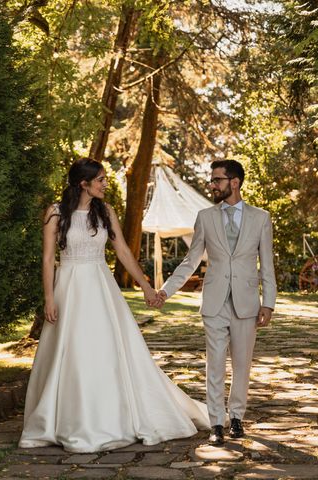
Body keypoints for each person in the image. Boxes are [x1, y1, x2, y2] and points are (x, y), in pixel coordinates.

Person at [19, 158, 209, 453]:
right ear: (83, 183)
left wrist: (147, 287)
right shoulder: (55, 213)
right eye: (101, 180)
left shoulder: (105, 212)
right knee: (70, 351)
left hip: (100, 287)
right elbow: (47, 259)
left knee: (107, 349)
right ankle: (68, 420)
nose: (106, 184)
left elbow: (122, 250)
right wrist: (49, 297)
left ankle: (112, 416)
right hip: (68, 287)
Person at [155, 159, 277, 445]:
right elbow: (191, 261)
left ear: (234, 182)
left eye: (217, 180)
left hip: (247, 303)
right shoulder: (205, 217)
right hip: (214, 302)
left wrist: (268, 303)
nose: (212, 185)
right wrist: (165, 291)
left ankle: (236, 417)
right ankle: (216, 423)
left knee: (242, 365)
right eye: (212, 180)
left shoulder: (261, 218)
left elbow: (267, 264)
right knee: (215, 364)